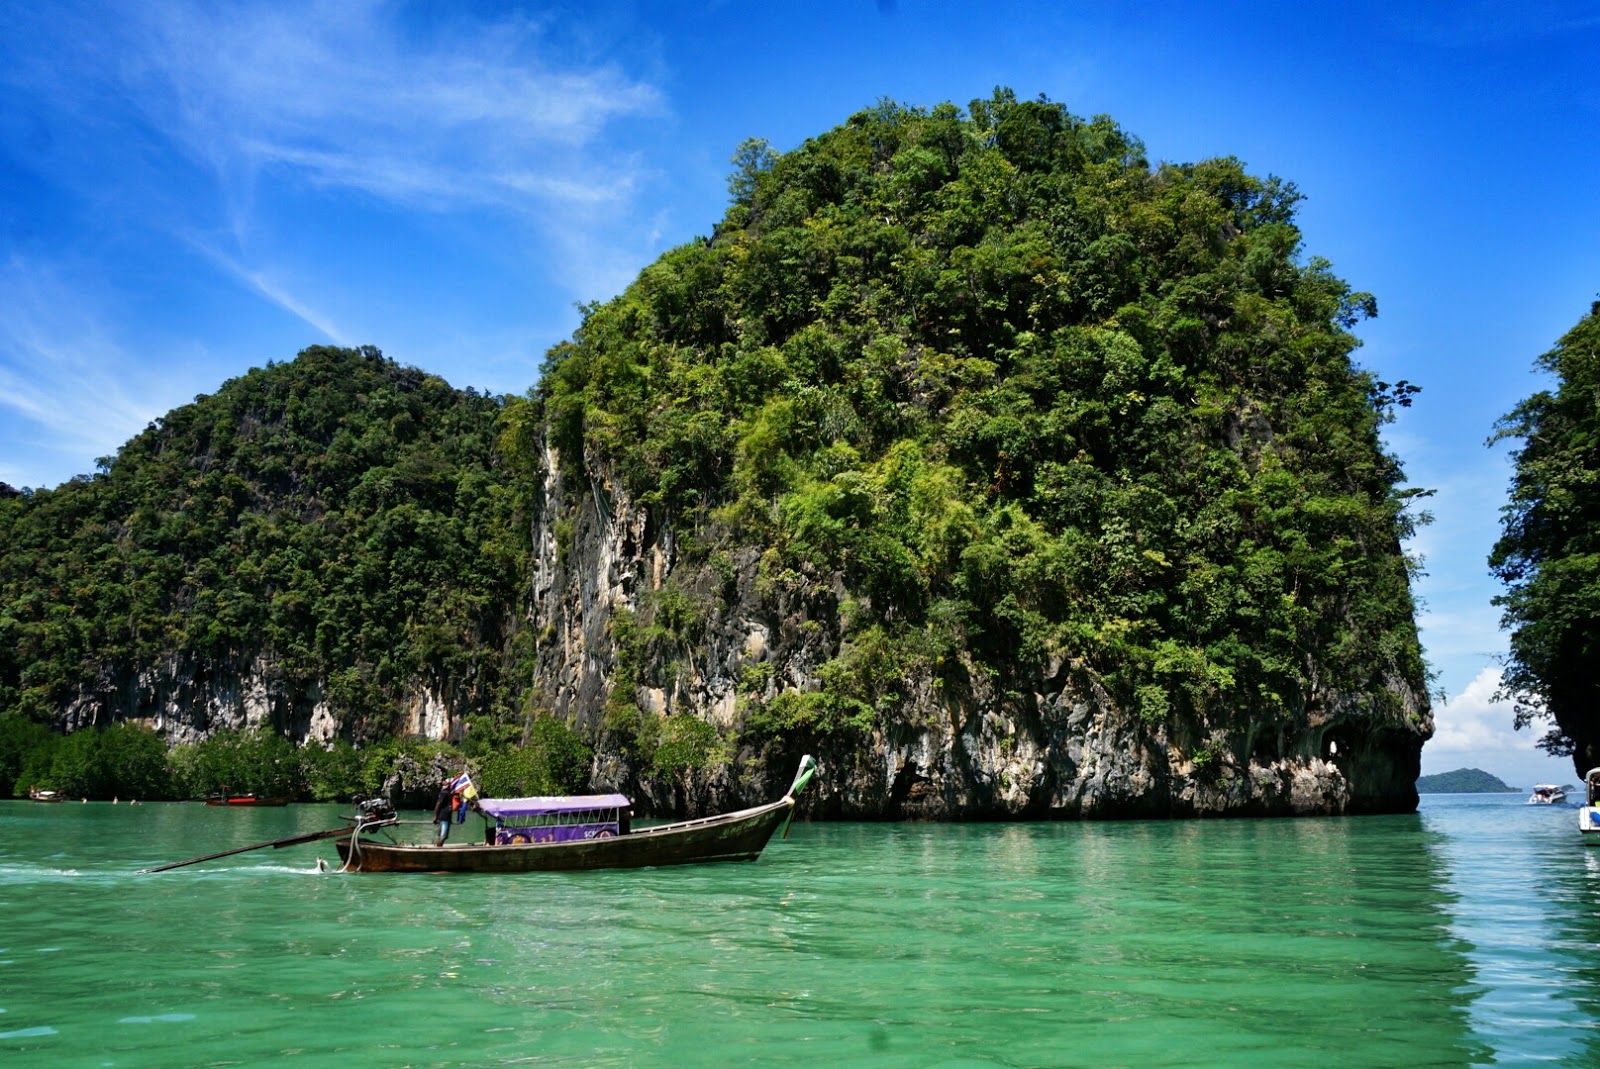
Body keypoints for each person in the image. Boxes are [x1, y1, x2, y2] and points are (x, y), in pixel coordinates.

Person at [433, 778, 456, 847]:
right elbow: (438, 804)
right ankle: (438, 849)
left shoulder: (449, 793)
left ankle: (438, 847)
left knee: (442, 835)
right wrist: (436, 816)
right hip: (444, 817)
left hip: (446, 817)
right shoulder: (444, 793)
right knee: (443, 835)